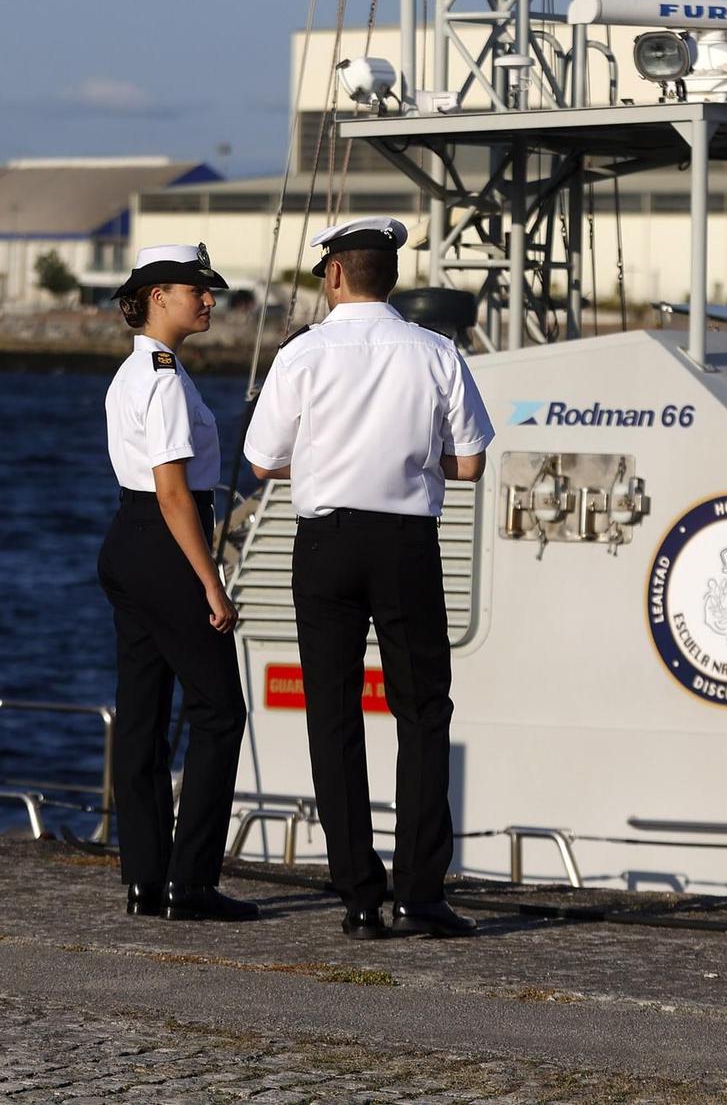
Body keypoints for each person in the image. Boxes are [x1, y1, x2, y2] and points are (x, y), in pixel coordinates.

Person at [243, 217, 494, 940]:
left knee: (333, 713)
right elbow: (471, 463)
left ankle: (358, 896)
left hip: (326, 543)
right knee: (422, 712)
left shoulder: (302, 353)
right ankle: (421, 893)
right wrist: (410, 460)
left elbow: (261, 461)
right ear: (392, 278)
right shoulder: (436, 350)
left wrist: (325, 462)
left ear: (333, 274)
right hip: (405, 543)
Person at [96, 243, 258, 923]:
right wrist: (211, 583)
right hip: (166, 542)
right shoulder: (162, 377)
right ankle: (188, 883)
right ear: (159, 296)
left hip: (129, 542)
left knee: (142, 715)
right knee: (219, 712)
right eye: (198, 290)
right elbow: (172, 491)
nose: (210, 300)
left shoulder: (133, 371)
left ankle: (145, 877)